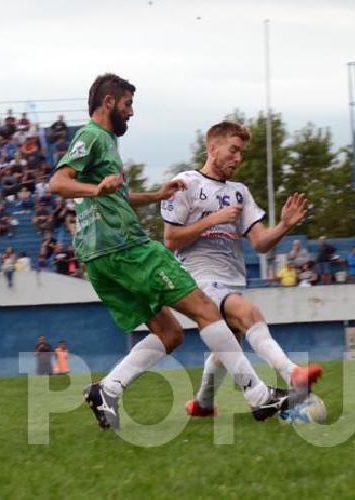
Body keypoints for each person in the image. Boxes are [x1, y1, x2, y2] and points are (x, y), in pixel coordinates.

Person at [48, 74, 296, 430]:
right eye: (127, 104)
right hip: (125, 247)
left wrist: (155, 196)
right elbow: (58, 183)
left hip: (98, 257)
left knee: (170, 334)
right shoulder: (93, 136)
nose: (131, 113)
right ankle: (258, 396)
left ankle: (107, 389)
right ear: (108, 103)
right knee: (206, 310)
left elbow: (114, 195)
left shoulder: (106, 144)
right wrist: (96, 189)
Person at [160, 121, 323, 417]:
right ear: (212, 147)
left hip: (230, 280)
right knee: (250, 314)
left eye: (241, 153)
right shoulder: (186, 183)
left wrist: (285, 225)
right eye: (233, 150)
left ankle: (202, 405)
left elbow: (260, 242)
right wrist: (213, 219)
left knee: (226, 350)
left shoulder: (240, 192)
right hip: (198, 278)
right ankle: (292, 373)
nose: (238, 158)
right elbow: (170, 240)